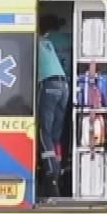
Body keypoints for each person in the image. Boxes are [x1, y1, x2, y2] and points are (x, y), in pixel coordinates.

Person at [36, 15, 70, 196]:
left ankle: (51, 175)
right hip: (63, 86)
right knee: (56, 135)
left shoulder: (33, 41)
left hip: (48, 85)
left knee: (44, 133)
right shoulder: (47, 43)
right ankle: (58, 170)